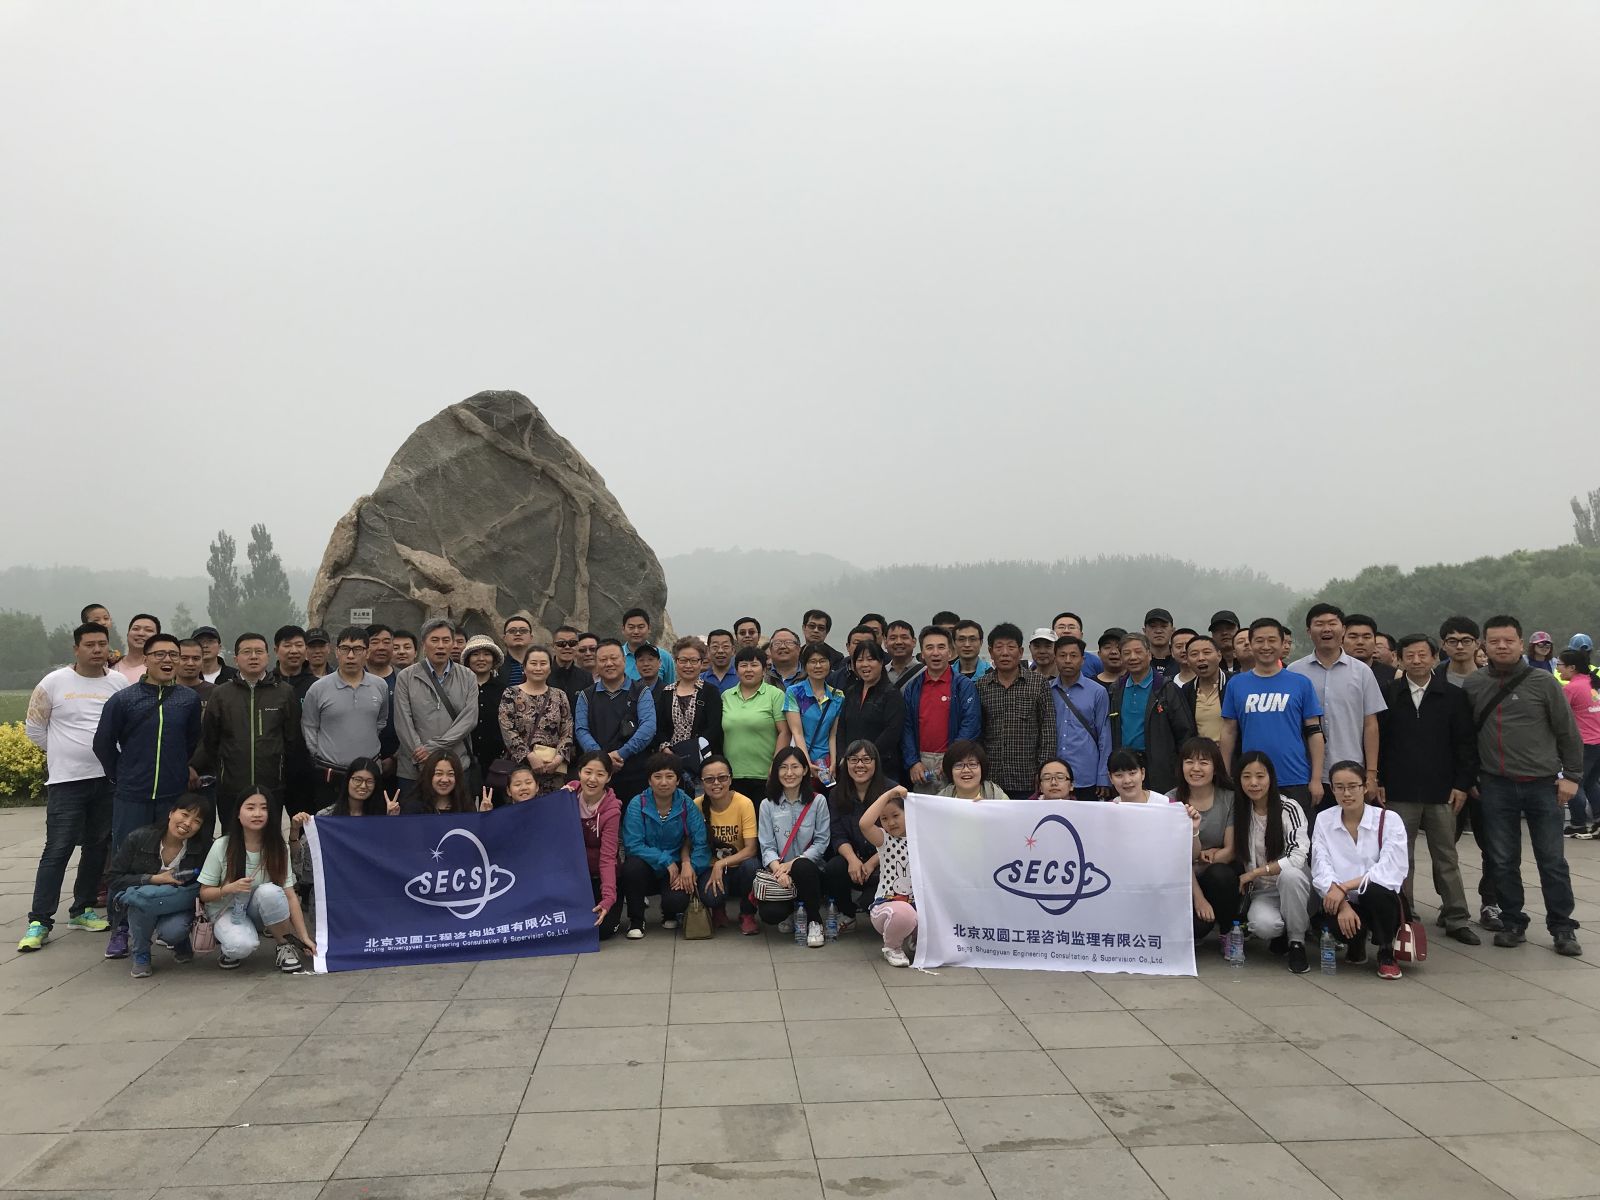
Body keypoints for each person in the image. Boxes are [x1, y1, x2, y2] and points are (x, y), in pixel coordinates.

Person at [1464, 615, 1584, 956]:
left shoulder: (1543, 683)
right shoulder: (1474, 684)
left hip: (1543, 785)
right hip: (1495, 785)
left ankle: (1562, 927)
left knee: (1552, 860)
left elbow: (1567, 731)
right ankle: (1513, 921)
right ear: (1484, 645)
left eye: (1509, 640)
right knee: (1502, 860)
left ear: (1521, 643)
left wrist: (1572, 777)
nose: (1502, 646)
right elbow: (1465, 737)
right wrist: (1471, 777)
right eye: (1494, 641)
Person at [18, 621, 129, 952]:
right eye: (90, 645)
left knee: (97, 846)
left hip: (107, 780)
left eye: (102, 644)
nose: (97, 650)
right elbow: (35, 728)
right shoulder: (54, 682)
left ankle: (81, 909)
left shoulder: (118, 683)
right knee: (58, 848)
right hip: (67, 782)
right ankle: (40, 920)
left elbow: (124, 727)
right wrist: (64, 753)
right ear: (76, 649)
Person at [1377, 634, 1480, 944]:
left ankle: (1456, 916)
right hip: (1399, 790)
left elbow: (1465, 744)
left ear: (1435, 658)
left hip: (1442, 791)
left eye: (1423, 655)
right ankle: (1404, 914)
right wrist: (1378, 780)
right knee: (1400, 856)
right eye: (1410, 655)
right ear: (1399, 659)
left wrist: (1462, 784)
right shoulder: (1389, 694)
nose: (1417, 660)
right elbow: (1378, 741)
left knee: (1446, 856)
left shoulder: (1452, 696)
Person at [94, 632, 204, 865]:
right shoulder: (123, 699)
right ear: (146, 660)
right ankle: (125, 891)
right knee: (127, 855)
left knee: (169, 855)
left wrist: (178, 768)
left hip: (173, 794)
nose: (168, 659)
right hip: (132, 794)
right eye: (159, 654)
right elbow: (103, 743)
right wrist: (120, 774)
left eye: (173, 654)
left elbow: (191, 740)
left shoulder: (188, 699)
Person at [191, 632, 303, 831]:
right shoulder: (221, 693)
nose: (253, 657)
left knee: (269, 839)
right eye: (247, 652)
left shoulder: (284, 692)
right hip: (231, 787)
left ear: (268, 656)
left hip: (271, 785)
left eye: (259, 652)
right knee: (232, 838)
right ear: (235, 659)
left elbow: (292, 739)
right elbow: (210, 739)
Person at [197, 790, 315, 972]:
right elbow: (204, 894)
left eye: (264, 808)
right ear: (238, 813)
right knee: (240, 946)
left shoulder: (278, 847)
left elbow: (290, 896)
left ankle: (284, 945)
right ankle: (230, 945)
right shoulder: (222, 845)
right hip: (228, 910)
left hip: (260, 911)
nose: (257, 814)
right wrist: (228, 888)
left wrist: (304, 937)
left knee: (271, 892)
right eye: (250, 808)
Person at [1312, 761, 1409, 979]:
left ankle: (1386, 951)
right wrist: (1342, 903)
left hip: (1380, 898)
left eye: (1352, 786)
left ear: (1365, 787)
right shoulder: (1324, 820)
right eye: (1339, 787)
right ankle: (1356, 943)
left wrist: (1344, 887)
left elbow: (1391, 868)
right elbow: (1320, 865)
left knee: (1375, 891)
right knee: (1330, 913)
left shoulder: (1389, 819)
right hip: (1344, 898)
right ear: (1332, 789)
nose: (1346, 793)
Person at [1220, 618, 1325, 818]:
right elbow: (1228, 731)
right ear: (1251, 644)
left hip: (1295, 777)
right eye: (1259, 641)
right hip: (1252, 779)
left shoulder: (1300, 683)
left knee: (1298, 835)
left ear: (1283, 643)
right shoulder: (1236, 684)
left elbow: (1314, 732)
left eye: (1272, 640)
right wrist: (1225, 774)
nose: (1266, 646)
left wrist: (1316, 778)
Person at [1290, 604, 1387, 801]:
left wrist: (1371, 774)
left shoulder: (1362, 672)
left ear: (1342, 629)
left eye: (1332, 623)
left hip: (1351, 772)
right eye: (1319, 624)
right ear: (1309, 632)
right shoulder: (1294, 672)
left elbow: (1370, 725)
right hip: (1305, 772)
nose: (1326, 629)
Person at [106, 795, 210, 978]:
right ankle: (141, 954)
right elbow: (113, 878)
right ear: (171, 813)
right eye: (184, 814)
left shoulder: (203, 847)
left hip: (178, 902)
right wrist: (153, 879)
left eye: (196, 821)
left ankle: (179, 940)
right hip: (146, 901)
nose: (187, 823)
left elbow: (204, 886)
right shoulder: (139, 838)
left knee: (169, 928)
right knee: (141, 901)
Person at [1231, 751, 1312, 973]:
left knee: (1290, 875)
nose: (1253, 783)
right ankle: (1284, 930)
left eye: (1260, 776)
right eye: (1246, 776)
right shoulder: (1239, 810)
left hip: (1297, 886)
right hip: (1264, 891)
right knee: (1263, 926)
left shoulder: (1289, 807)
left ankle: (1297, 942)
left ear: (1271, 778)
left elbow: (1297, 857)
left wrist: (1256, 872)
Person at [620, 752, 710, 938]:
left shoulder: (686, 804)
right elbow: (633, 844)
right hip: (647, 865)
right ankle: (636, 920)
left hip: (676, 868)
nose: (663, 782)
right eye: (657, 776)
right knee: (631, 868)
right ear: (649, 780)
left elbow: (701, 842)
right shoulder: (638, 803)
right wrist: (665, 860)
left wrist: (691, 868)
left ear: (678, 780)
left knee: (677, 900)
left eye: (669, 776)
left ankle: (669, 913)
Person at [302, 626, 390, 810]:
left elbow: (381, 722)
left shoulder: (380, 686)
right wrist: (318, 754)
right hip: (330, 773)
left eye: (357, 649)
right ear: (336, 652)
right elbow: (309, 725)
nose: (350, 656)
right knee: (329, 822)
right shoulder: (318, 688)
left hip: (369, 774)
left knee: (369, 821)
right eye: (345, 649)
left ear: (367, 653)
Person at [394, 618, 480, 797]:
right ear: (424, 644)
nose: (440, 646)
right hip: (414, 768)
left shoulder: (468, 677)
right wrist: (420, 754)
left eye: (446, 640)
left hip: (456, 767)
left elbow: (469, 719)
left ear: (453, 643)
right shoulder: (406, 677)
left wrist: (432, 749)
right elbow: (403, 722)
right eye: (434, 640)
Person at [756, 747, 830, 945]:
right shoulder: (767, 804)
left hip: (811, 870)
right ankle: (792, 911)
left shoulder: (818, 801)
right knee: (770, 914)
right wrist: (778, 869)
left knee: (802, 866)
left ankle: (814, 920)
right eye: (783, 767)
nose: (789, 773)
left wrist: (793, 864)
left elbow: (822, 842)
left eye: (795, 767)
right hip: (779, 873)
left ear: (805, 770)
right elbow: (766, 846)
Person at [1169, 737, 1239, 946]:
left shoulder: (1229, 798)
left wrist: (1202, 861)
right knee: (1198, 927)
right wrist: (1198, 859)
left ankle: (1228, 932)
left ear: (1215, 768)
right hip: (1183, 879)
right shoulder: (1170, 800)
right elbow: (1174, 859)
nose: (1196, 768)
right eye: (1189, 762)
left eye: (1204, 762)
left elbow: (1231, 851)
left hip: (1214, 873)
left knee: (1221, 874)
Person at [976, 622, 1058, 798]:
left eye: (1011, 647)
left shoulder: (1038, 683)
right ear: (990, 652)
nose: (1005, 653)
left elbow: (1048, 731)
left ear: (1020, 652)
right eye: (999, 647)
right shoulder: (981, 686)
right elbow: (978, 732)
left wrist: (1044, 770)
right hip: (992, 778)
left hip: (1028, 777)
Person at [1107, 633, 1195, 794]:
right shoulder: (1116, 690)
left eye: (1138, 651)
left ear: (1149, 654)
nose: (1133, 657)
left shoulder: (1166, 688)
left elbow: (1185, 732)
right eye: (1126, 653)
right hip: (1126, 766)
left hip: (1160, 768)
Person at [575, 638, 658, 804]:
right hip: (597, 776)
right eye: (603, 660)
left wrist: (621, 753)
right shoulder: (586, 695)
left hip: (635, 773)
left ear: (624, 660)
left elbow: (648, 727)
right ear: (596, 663)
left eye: (614, 658)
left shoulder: (641, 691)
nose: (609, 663)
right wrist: (602, 759)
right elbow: (581, 730)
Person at [823, 741, 894, 930]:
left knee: (870, 904)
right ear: (846, 763)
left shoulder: (890, 791)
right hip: (854, 859)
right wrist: (852, 860)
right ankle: (847, 913)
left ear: (876, 762)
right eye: (853, 760)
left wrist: (871, 863)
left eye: (866, 759)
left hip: (885, 859)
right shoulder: (837, 793)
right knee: (834, 867)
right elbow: (837, 834)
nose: (859, 765)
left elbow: (898, 836)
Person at [900, 625, 980, 790]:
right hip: (921, 764)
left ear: (950, 652)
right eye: (929, 647)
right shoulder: (913, 687)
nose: (935, 653)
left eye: (941, 647)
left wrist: (952, 758)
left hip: (955, 761)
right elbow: (906, 727)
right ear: (922, 654)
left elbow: (970, 724)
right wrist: (913, 762)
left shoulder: (963, 685)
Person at [694, 753, 760, 934]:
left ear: (730, 779)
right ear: (702, 783)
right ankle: (718, 909)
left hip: (739, 867)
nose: (716, 783)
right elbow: (689, 843)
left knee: (752, 866)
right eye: (709, 779)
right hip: (710, 868)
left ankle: (747, 913)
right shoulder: (697, 805)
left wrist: (721, 863)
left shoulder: (744, 803)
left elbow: (751, 849)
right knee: (710, 896)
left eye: (722, 778)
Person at [562, 752, 624, 941]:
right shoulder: (567, 796)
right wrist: (558, 801)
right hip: (573, 878)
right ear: (579, 772)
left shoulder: (612, 811)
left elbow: (607, 859)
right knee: (565, 927)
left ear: (609, 777)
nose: (592, 779)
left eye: (600, 774)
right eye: (588, 772)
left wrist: (608, 898)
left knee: (602, 930)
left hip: (599, 876)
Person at [499, 644, 576, 793]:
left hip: (552, 769)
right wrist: (529, 756)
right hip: (521, 770)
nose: (538, 668)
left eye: (543, 663)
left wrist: (559, 758)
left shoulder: (559, 695)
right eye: (533, 663)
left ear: (550, 668)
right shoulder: (511, 694)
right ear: (524, 667)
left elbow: (567, 730)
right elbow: (507, 728)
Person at [721, 646, 789, 801]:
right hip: (731, 775)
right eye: (743, 665)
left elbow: (784, 732)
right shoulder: (726, 696)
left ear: (764, 670)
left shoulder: (775, 695)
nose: (748, 670)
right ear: (736, 671)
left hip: (765, 774)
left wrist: (776, 765)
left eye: (754, 665)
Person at [860, 785, 916, 967]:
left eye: (896, 815)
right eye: (884, 818)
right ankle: (892, 947)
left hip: (917, 905)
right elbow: (864, 824)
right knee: (904, 913)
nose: (891, 822)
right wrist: (888, 795)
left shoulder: (921, 838)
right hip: (887, 906)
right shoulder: (885, 839)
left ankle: (918, 939)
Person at [1050, 636, 1111, 801]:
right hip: (1054, 776)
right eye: (1062, 655)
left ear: (1083, 660)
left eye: (1073, 655)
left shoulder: (1098, 692)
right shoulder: (1047, 690)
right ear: (1055, 658)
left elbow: (1104, 736)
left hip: (1086, 775)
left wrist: (1103, 776)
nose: (1067, 660)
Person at [657, 636, 724, 777]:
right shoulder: (666, 692)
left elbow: (714, 727)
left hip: (703, 762)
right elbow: (660, 727)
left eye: (693, 660)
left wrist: (693, 749)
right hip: (671, 762)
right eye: (683, 660)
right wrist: (665, 748)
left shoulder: (710, 692)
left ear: (701, 662)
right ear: (676, 662)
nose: (688, 666)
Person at [836, 640, 906, 770]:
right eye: (860, 660)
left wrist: (866, 758)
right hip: (851, 766)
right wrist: (843, 757)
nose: (864, 664)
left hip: (881, 766)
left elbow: (892, 732)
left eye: (870, 659)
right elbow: (841, 728)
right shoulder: (851, 691)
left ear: (881, 662)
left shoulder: (891, 694)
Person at [785, 644, 845, 783]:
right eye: (813, 661)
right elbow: (797, 733)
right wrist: (806, 763)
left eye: (822, 661)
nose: (818, 666)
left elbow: (832, 735)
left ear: (829, 664)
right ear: (805, 666)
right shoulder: (795, 692)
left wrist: (833, 763)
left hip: (826, 762)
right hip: (801, 760)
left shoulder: (838, 696)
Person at [1556, 649, 1600, 838]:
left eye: (1560, 664)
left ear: (1572, 667)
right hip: (1597, 742)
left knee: (1574, 783)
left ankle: (1578, 824)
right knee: (1591, 783)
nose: (1558, 668)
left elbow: (1558, 716)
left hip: (1584, 743)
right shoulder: (1591, 683)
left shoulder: (1571, 688)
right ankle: (1598, 822)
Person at [461, 634, 507, 795]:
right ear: (468, 659)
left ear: (493, 660)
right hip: (464, 759)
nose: (481, 659)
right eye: (475, 654)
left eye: (487, 654)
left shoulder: (505, 690)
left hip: (496, 761)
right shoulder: (459, 688)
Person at [1178, 635, 1229, 742]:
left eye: (1207, 652)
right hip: (1201, 751)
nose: (1201, 658)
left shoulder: (1233, 683)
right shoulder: (1186, 690)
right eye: (1194, 654)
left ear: (1219, 655)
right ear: (1187, 661)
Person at [400, 749, 474, 814]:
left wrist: (481, 817)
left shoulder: (465, 805)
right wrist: (394, 818)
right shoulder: (413, 807)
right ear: (429, 775)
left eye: (450, 774)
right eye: (439, 774)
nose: (444, 780)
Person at [936, 740, 1008, 801]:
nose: (966, 770)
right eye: (959, 765)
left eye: (972, 764)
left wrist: (987, 808)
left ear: (982, 768)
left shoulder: (999, 798)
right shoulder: (940, 799)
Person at [622, 607, 676, 685]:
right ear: (623, 629)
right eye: (631, 627)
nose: (636, 631)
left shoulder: (664, 657)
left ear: (649, 628)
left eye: (641, 627)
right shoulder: (615, 657)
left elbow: (670, 688)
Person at [1343, 614, 1397, 687]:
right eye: (1353, 637)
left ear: (1374, 641)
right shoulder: (1331, 671)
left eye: (1366, 637)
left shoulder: (1395, 676)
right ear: (1341, 640)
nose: (1360, 642)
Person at [548, 625, 592, 706]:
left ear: (577, 646)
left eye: (572, 643)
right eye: (561, 643)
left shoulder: (586, 678)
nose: (567, 647)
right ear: (553, 646)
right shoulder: (543, 674)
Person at [114, 613, 161, 684]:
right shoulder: (109, 665)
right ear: (127, 634)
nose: (141, 633)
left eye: (148, 630)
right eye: (136, 629)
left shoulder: (161, 669)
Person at [174, 639, 215, 708]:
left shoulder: (216, 692)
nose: (190, 663)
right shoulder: (164, 692)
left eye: (196, 658)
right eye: (184, 658)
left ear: (202, 661)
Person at [884, 620, 925, 690]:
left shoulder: (925, 672)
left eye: (904, 637)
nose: (898, 642)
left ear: (914, 642)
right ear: (885, 643)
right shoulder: (880, 674)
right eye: (893, 638)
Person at [498, 615, 535, 687]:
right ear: (504, 638)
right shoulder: (498, 666)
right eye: (512, 631)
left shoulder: (541, 665)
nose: (518, 634)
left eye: (523, 631)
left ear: (531, 637)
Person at [1143, 608, 1178, 677]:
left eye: (1164, 626)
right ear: (1144, 631)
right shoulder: (1138, 660)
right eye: (1153, 626)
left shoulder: (1182, 660)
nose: (1158, 631)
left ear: (1173, 630)